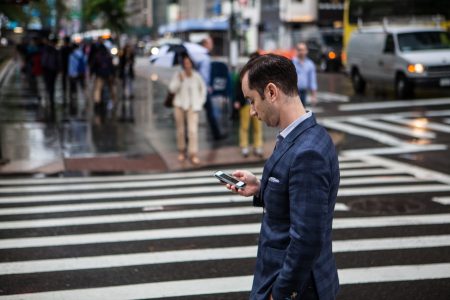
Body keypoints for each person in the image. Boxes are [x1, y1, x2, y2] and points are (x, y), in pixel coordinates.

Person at [224, 54, 340, 300]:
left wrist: (280, 292)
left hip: (296, 287)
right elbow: (297, 201)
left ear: (272, 92)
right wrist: (260, 187)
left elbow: (306, 239)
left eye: (252, 101)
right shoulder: (306, 134)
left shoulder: (308, 151)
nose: (253, 111)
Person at [169, 54, 207, 165]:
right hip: (179, 105)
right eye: (185, 63)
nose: (187, 65)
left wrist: (200, 103)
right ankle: (181, 151)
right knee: (180, 131)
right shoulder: (178, 75)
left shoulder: (196, 76)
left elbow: (203, 90)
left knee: (192, 131)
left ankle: (193, 154)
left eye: (189, 63)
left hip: (192, 106)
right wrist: (179, 80)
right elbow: (172, 89)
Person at [233, 52, 264, 157]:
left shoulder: (262, 74)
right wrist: (237, 100)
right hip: (245, 103)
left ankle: (257, 146)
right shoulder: (244, 73)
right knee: (244, 126)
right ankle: (244, 147)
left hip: (258, 103)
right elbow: (238, 87)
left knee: (257, 126)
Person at [198, 36, 224, 140]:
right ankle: (216, 134)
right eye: (210, 43)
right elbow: (201, 74)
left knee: (209, 111)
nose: (212, 45)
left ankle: (216, 133)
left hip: (205, 87)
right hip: (202, 88)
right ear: (205, 44)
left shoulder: (205, 56)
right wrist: (205, 86)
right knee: (208, 111)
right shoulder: (201, 56)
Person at [41, 37, 60, 122]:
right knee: (52, 85)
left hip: (47, 70)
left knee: (48, 85)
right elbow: (58, 61)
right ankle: (51, 98)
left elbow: (43, 61)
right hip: (53, 71)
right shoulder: (55, 51)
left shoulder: (46, 49)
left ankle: (48, 97)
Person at [292, 42, 318, 106]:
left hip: (304, 92)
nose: (301, 52)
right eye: (299, 50)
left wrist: (314, 96)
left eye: (303, 50)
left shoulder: (310, 64)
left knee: (303, 112)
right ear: (296, 51)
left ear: (306, 51)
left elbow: (312, 81)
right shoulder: (292, 62)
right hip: (293, 92)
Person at [68, 42, 88, 116]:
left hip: (73, 74)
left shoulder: (71, 55)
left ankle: (74, 98)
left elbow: (70, 66)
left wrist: (71, 73)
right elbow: (85, 63)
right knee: (82, 85)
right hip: (81, 73)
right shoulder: (82, 54)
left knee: (73, 88)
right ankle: (84, 98)